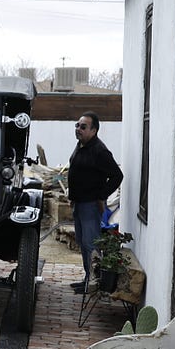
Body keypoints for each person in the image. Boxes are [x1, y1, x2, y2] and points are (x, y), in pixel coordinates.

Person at [69, 112, 123, 293]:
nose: (78, 129)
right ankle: (87, 278)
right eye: (77, 125)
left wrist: (101, 196)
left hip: (90, 205)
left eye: (83, 127)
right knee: (83, 243)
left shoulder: (99, 151)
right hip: (79, 203)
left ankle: (94, 283)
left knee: (91, 244)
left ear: (94, 130)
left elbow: (117, 175)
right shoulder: (81, 145)